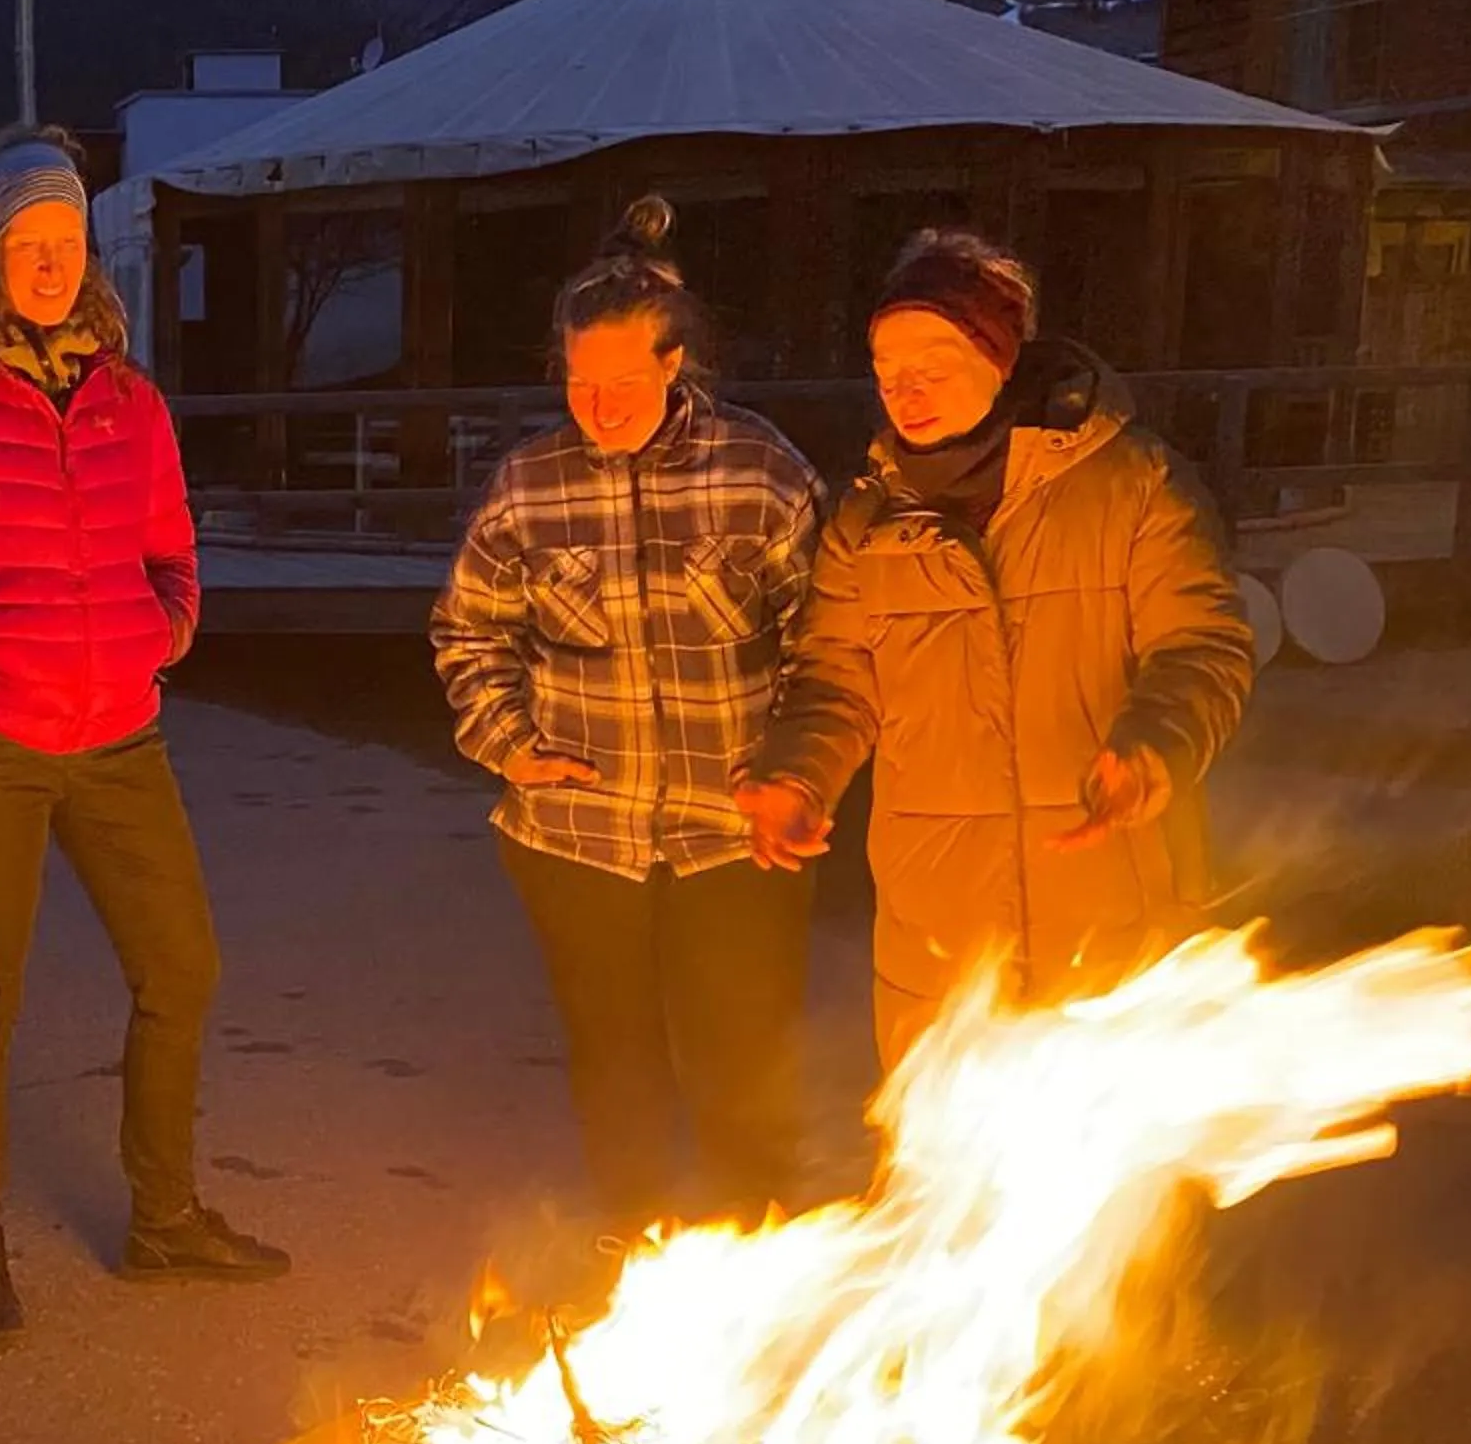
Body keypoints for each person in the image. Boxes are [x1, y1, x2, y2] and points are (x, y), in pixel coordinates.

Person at [0, 126, 289, 1350]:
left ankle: (165, 1218)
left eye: (66, 241)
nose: (49, 262)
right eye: (26, 244)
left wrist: (165, 627)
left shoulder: (133, 405)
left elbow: (172, 553)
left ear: (90, 254)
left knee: (180, 970)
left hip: (119, 733)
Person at [736, 229, 1256, 1069]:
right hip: (941, 941)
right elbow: (835, 679)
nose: (907, 391)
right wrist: (800, 771)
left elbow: (1203, 643)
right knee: (956, 1186)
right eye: (887, 370)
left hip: (1105, 912)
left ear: (1001, 354)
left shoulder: (1130, 485)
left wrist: (1158, 744)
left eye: (933, 364)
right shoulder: (867, 526)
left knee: (1112, 1187)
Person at [431, 197, 827, 1217]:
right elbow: (468, 631)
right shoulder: (529, 485)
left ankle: (761, 1244)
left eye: (619, 382)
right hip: (578, 833)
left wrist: (790, 766)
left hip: (733, 832)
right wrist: (511, 747)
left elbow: (827, 640)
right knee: (614, 1056)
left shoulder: (761, 472)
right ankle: (634, 1232)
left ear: (674, 363)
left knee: (742, 1050)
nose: (598, 407)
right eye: (578, 382)